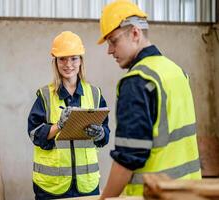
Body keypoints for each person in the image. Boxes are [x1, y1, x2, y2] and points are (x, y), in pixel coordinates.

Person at [97, 0, 201, 199]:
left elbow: (128, 158)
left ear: (135, 33)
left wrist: (105, 199)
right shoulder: (176, 71)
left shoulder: (137, 82)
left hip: (155, 195)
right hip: (191, 193)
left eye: (113, 41)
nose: (110, 50)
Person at [28, 31, 110, 199]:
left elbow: (105, 135)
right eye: (62, 59)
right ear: (55, 62)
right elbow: (34, 133)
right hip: (52, 188)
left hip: (86, 185)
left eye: (73, 58)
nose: (68, 64)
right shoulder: (45, 95)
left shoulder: (95, 94)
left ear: (81, 61)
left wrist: (100, 133)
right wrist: (59, 126)